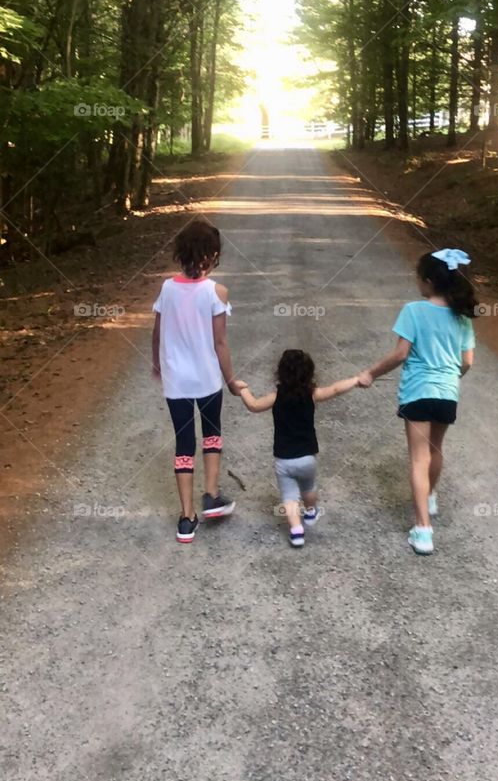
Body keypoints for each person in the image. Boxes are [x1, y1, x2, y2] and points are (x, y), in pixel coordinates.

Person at [358, 248, 477, 556]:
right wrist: (450, 378)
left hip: (417, 392)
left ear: (427, 281)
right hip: (447, 393)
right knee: (436, 449)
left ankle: (423, 529)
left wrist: (370, 373)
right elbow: (467, 362)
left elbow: (400, 354)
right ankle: (431, 496)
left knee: (417, 458)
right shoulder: (462, 316)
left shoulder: (413, 311)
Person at [152, 216, 240, 544]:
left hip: (176, 381)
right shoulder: (217, 292)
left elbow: (157, 332)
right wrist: (231, 379)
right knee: (212, 434)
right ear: (211, 255)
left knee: (183, 443)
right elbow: (220, 343)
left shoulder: (167, 288)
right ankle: (211, 494)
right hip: (206, 379)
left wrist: (156, 364)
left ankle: (186, 518)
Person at [236, 349, 362, 547]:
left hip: (284, 459)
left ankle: (296, 530)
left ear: (279, 373)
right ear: (310, 374)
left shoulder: (275, 396)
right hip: (307, 458)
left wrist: (242, 389)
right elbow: (336, 389)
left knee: (289, 497)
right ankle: (311, 513)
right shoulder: (312, 394)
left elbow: (253, 405)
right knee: (308, 488)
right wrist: (355, 379)